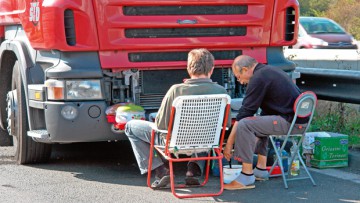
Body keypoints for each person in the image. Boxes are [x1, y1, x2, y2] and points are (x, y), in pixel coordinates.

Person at [125, 48, 230, 188]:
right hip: (208, 142)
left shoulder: (176, 90)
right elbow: (225, 124)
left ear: (189, 69)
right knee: (206, 129)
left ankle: (161, 171)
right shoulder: (222, 92)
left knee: (130, 127)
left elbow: (161, 125)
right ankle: (193, 169)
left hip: (174, 143)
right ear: (211, 69)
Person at [223, 55, 307, 190]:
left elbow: (244, 114)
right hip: (298, 120)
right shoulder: (269, 71)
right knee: (260, 120)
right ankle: (261, 169)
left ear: (245, 69)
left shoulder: (258, 78)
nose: (239, 81)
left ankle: (246, 176)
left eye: (238, 76)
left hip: (291, 122)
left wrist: (229, 145)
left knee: (246, 124)